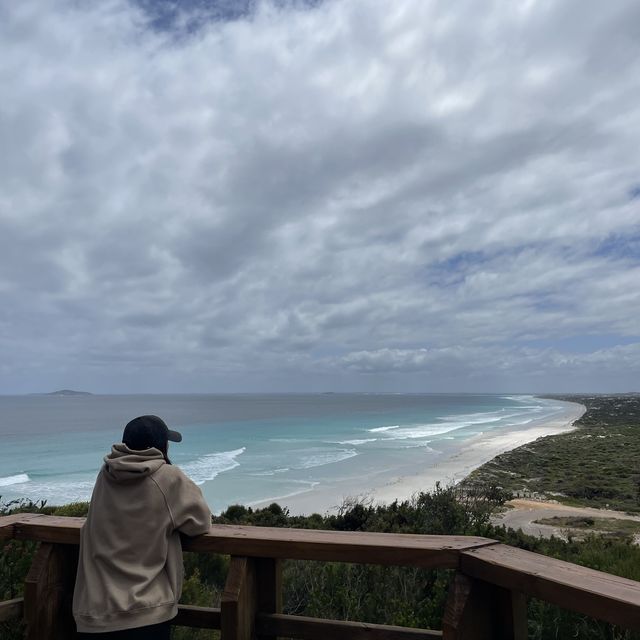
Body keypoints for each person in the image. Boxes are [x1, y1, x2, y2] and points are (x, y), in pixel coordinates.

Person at [73, 415, 212, 639]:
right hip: (145, 613)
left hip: (94, 613)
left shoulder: (106, 473)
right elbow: (200, 522)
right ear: (161, 446)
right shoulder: (167, 477)